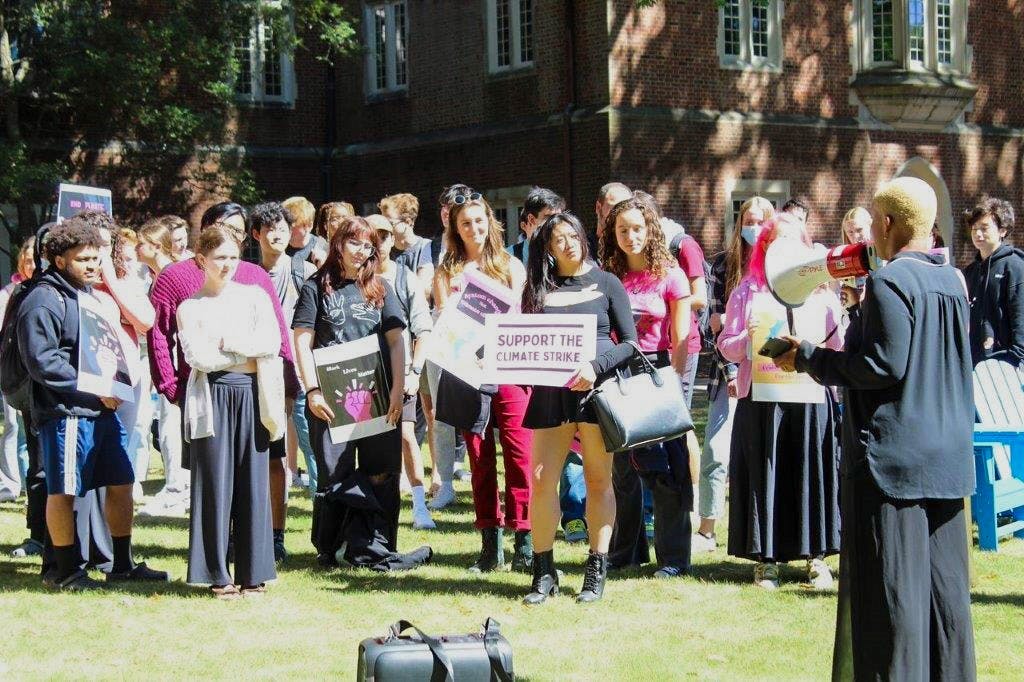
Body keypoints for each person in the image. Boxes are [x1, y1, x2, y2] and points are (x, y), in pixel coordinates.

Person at [775, 177, 977, 681]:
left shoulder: (891, 282)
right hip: (948, 454)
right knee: (944, 597)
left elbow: (881, 366)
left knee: (892, 598)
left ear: (886, 223)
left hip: (893, 460)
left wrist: (810, 358)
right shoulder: (954, 280)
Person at [18, 216, 167, 590]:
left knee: (121, 481)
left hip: (103, 409)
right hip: (65, 412)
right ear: (59, 259)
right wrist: (92, 390)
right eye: (83, 258)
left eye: (95, 258)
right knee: (64, 490)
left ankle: (121, 563)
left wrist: (112, 387)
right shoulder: (43, 299)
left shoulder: (86, 295)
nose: (92, 265)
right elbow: (42, 362)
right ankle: (65, 570)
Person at [147, 202, 299, 533]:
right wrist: (170, 386)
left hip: (257, 389)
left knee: (269, 462)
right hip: (204, 390)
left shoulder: (255, 276)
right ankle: (220, 539)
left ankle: (271, 536)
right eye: (223, 227)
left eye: (238, 231)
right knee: (215, 470)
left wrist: (288, 384)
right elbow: (159, 334)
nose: (230, 238)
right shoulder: (176, 276)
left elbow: (277, 337)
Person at [294, 217, 430, 571]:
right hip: (329, 401)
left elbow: (398, 340)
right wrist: (311, 390)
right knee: (332, 475)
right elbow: (302, 340)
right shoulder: (315, 288)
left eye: (368, 245)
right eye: (355, 242)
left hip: (379, 398)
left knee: (382, 472)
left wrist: (400, 390)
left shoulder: (381, 287)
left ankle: (377, 545)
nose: (362, 251)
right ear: (338, 243)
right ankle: (332, 548)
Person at [717, 212, 842, 590]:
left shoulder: (822, 292)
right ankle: (765, 561)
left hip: (810, 396)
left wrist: (830, 334)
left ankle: (815, 559)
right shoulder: (746, 291)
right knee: (765, 476)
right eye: (774, 242)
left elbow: (838, 346)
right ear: (764, 249)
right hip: (763, 399)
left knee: (810, 474)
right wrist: (746, 341)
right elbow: (726, 346)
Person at [521, 212, 638, 604]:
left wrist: (595, 367)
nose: (568, 244)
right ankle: (543, 572)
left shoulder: (607, 282)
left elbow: (630, 343)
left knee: (598, 480)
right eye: (559, 240)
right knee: (540, 480)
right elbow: (522, 339)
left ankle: (596, 568)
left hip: (596, 393)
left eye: (573, 236)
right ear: (549, 249)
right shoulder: (538, 288)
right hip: (552, 394)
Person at [178, 225, 284, 598]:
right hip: (212, 398)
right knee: (214, 486)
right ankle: (216, 573)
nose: (227, 265)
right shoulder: (190, 306)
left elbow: (271, 342)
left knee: (254, 485)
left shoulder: (255, 296)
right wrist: (246, 352)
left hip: (252, 395)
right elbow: (200, 358)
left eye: (233, 257)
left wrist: (231, 344)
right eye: (219, 258)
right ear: (201, 260)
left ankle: (254, 572)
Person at [435, 195, 533, 572]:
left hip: (509, 368)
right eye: (465, 223)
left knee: (519, 454)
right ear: (455, 230)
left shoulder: (510, 265)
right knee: (479, 458)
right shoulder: (447, 270)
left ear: (489, 222)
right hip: (465, 371)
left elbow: (523, 316)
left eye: (479, 220)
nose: (474, 228)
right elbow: (444, 321)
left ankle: (524, 539)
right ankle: (490, 544)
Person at [602, 195, 693, 578]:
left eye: (637, 228)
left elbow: (683, 336)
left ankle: (673, 559)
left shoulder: (671, 274)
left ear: (650, 230)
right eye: (622, 230)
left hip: (657, 373)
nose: (630, 236)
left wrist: (673, 380)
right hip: (619, 374)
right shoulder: (609, 276)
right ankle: (626, 552)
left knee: (666, 472)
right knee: (623, 471)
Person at [506, 188, 588, 545]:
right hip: (530, 376)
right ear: (528, 224)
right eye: (546, 222)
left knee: (576, 451)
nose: (556, 231)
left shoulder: (585, 271)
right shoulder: (514, 263)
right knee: (537, 460)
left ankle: (573, 515)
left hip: (574, 375)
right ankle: (534, 539)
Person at [248, 201, 318, 561]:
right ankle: (251, 531)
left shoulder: (303, 271)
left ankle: (281, 535)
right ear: (256, 233)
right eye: (270, 228)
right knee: (260, 455)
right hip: (252, 374)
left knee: (302, 451)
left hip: (296, 372)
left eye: (283, 227)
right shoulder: (243, 272)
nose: (278, 234)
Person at [367, 215, 435, 530]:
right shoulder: (354, 278)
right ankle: (371, 509)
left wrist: (413, 372)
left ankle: (420, 506)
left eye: (383, 236)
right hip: (363, 374)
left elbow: (423, 328)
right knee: (368, 445)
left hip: (400, 371)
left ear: (392, 240)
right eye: (372, 236)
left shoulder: (405, 278)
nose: (378, 242)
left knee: (406, 435)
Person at [422, 184, 473, 509]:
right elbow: (436, 299)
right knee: (439, 415)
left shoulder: (489, 254)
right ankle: (444, 484)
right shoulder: (432, 251)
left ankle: (472, 473)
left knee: (478, 414)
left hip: (478, 343)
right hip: (442, 339)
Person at [136, 217, 190, 517]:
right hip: (166, 365)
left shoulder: (169, 275)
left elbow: (163, 330)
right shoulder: (154, 275)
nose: (136, 248)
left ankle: (177, 489)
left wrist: (169, 378)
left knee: (173, 425)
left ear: (156, 246)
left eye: (141, 243)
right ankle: (175, 485)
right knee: (166, 426)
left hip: (177, 365)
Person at [962, 197, 1024, 366]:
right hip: (974, 364)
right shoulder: (970, 272)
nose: (977, 234)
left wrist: (1016, 360)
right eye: (974, 228)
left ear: (1002, 231)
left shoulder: (1015, 267)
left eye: (984, 228)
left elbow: (1020, 318)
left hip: (1006, 367)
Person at [0, 237, 34, 503]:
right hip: (13, 372)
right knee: (13, 426)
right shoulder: (10, 293)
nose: (32, 265)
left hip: (34, 374)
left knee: (29, 431)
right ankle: (13, 482)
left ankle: (29, 482)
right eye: (28, 260)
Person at [379, 193, 434, 302]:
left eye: (390, 223)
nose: (385, 227)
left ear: (408, 222)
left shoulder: (426, 246)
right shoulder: (384, 248)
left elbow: (424, 289)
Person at [282, 196, 327, 269]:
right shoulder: (279, 246)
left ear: (309, 225)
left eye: (291, 224)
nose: (286, 228)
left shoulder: (321, 247)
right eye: (285, 223)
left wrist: (322, 267)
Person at [593, 182, 633, 255]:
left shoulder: (636, 251)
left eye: (626, 209)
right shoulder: (582, 250)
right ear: (598, 208)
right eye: (614, 208)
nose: (621, 215)